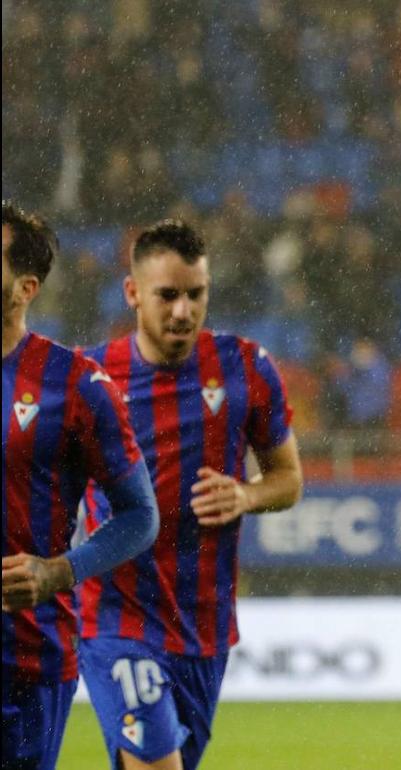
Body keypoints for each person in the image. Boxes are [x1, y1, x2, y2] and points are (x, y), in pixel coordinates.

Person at [77, 220, 304, 770]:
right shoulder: (90, 380)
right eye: (167, 295)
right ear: (133, 293)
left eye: (195, 295)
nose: (182, 311)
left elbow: (287, 479)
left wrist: (247, 496)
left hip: (204, 627)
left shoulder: (246, 367)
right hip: (117, 618)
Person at [2, 201, 160, 770]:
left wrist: (58, 571)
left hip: (23, 657)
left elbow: (140, 515)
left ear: (25, 287)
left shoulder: (76, 386)